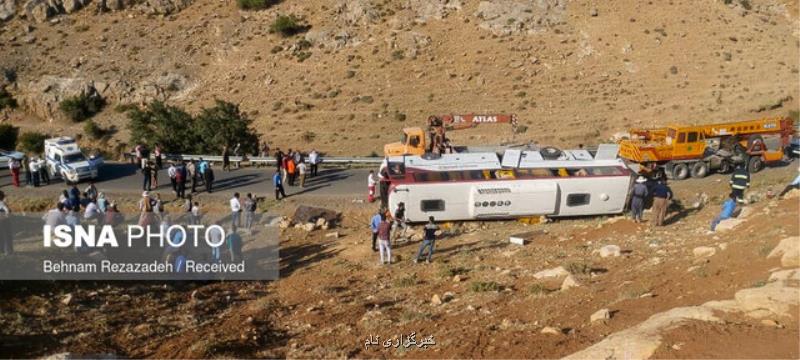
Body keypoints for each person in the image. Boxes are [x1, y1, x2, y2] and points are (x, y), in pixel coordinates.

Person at [0, 191, 12, 255]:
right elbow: (7, 210)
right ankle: (8, 250)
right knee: (7, 235)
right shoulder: (2, 203)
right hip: (4, 220)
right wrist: (7, 214)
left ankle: (1, 250)